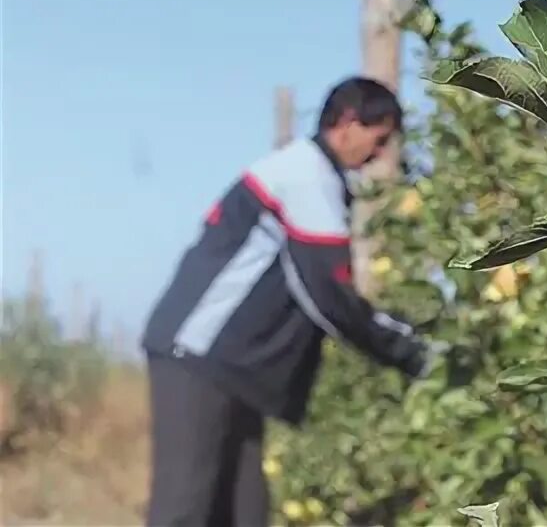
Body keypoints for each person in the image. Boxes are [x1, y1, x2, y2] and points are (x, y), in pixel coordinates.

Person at [139, 76, 445, 527]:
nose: (380, 155)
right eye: (378, 140)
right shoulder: (306, 178)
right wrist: (417, 353)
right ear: (346, 123)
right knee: (185, 509)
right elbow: (330, 298)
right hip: (197, 358)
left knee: (244, 513)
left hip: (229, 369)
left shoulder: (310, 175)